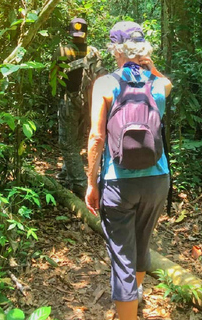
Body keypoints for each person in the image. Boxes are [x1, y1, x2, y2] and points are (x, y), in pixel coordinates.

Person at [85, 21, 172, 320]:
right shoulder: (159, 84)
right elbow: (167, 83)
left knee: (122, 258)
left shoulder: (105, 83)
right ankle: (134, 299)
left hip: (117, 182)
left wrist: (91, 183)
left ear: (115, 49)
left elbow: (96, 137)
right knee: (142, 244)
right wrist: (152, 67)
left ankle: (127, 312)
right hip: (157, 179)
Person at [54, 17, 106, 197]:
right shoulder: (93, 51)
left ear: (70, 32)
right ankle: (64, 176)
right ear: (86, 33)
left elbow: (54, 78)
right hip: (88, 103)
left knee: (67, 143)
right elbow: (101, 77)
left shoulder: (62, 50)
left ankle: (80, 185)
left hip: (69, 101)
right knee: (75, 142)